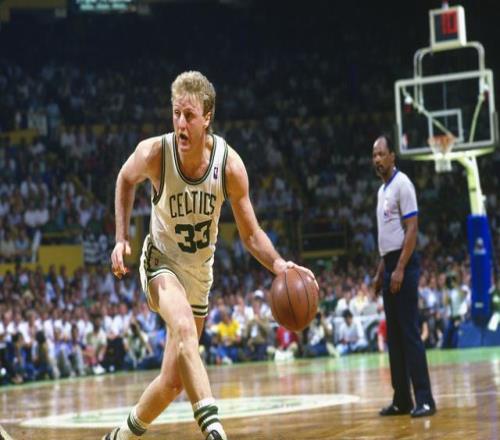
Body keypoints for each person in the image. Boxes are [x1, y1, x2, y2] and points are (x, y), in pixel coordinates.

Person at [106, 71, 317, 440]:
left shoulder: (229, 166)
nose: (180, 123)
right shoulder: (155, 154)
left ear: (207, 117)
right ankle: (215, 430)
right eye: (176, 114)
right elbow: (125, 178)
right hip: (160, 264)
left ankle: (120, 436)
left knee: (172, 382)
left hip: (199, 276)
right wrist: (121, 238)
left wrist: (280, 265)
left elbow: (251, 234)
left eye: (189, 115)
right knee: (183, 328)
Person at [372, 135, 436, 418]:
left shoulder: (403, 184)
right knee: (394, 338)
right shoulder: (381, 191)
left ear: (392, 156)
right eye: (374, 155)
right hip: (390, 264)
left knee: (409, 333)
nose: (377, 159)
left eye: (381, 154)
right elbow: (388, 237)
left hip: (404, 265)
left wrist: (399, 268)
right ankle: (402, 400)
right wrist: (381, 271)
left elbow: (412, 229)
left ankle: (425, 399)